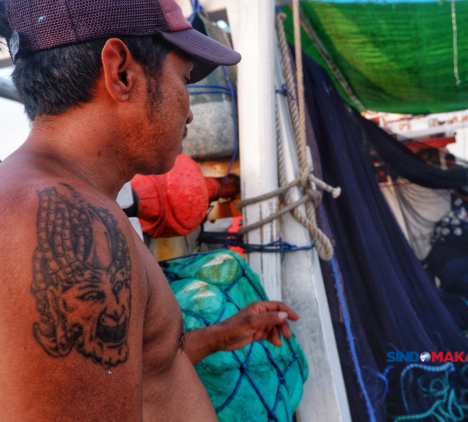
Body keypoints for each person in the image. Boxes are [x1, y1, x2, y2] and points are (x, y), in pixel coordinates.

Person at [0, 1, 299, 421]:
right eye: (184, 78)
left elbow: (112, 367)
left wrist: (216, 337)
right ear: (121, 72)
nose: (190, 110)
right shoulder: (67, 217)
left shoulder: (66, 203)